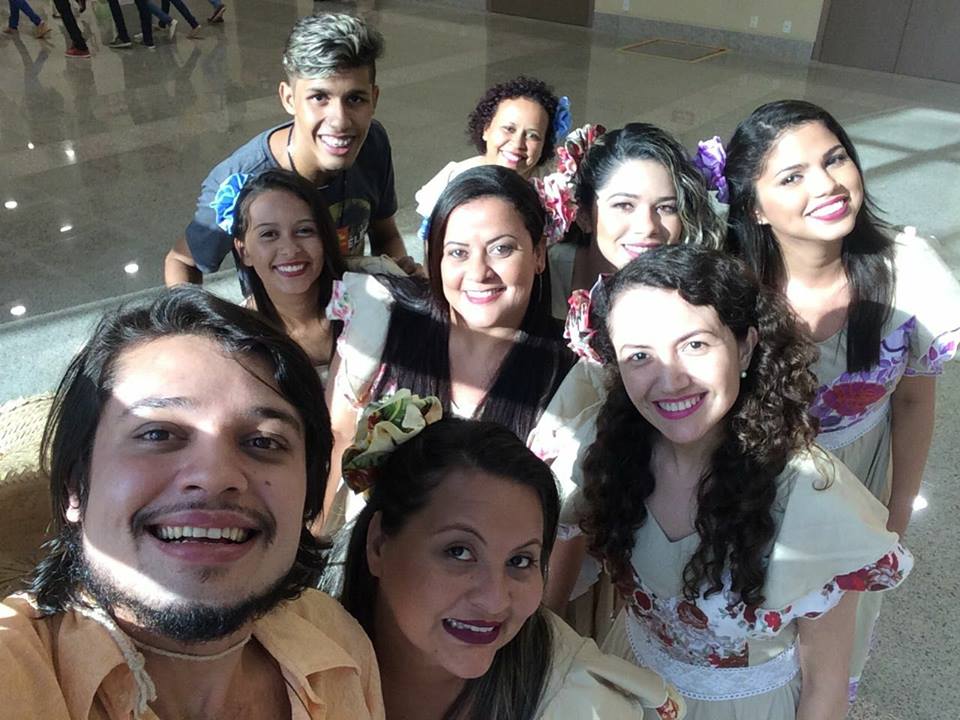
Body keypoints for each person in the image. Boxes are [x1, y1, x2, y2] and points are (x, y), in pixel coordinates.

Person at [551, 245, 911, 718]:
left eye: (695, 345)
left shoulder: (811, 498)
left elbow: (825, 686)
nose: (671, 380)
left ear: (745, 345)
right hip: (629, 689)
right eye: (639, 355)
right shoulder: (604, 452)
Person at [0, 287, 384, 719]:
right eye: (158, 433)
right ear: (75, 486)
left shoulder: (336, 643)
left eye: (263, 441)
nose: (215, 477)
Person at [724, 99, 960, 695]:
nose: (827, 184)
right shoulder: (729, 289)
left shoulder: (907, 274)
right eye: (792, 176)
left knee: (828, 655)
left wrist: (897, 510)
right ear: (754, 207)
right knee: (749, 645)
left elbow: (913, 402)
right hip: (751, 486)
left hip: (858, 482)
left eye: (834, 160)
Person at [336, 397, 685, 720]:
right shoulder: (307, 660)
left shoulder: (579, 707)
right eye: (459, 552)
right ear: (379, 544)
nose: (495, 601)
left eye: (520, 561)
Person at [324, 166, 573, 528]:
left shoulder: (573, 375)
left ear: (538, 254)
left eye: (501, 249)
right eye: (457, 252)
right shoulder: (384, 322)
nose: (479, 272)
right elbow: (338, 440)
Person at [165, 13, 411, 285]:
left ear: (374, 99)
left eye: (355, 99)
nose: (340, 121)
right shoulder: (242, 179)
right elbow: (181, 261)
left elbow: (385, 234)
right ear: (289, 99)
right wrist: (196, 315)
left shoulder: (372, 143)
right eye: (319, 97)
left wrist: (401, 282)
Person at [545, 122, 725, 319]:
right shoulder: (541, 275)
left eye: (666, 207)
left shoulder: (702, 296)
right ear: (584, 215)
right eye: (624, 205)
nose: (648, 227)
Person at [223, 168, 348, 377]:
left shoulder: (372, 300)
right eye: (269, 234)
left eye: (304, 230)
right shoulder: (237, 340)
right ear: (244, 251)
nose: (290, 250)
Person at [414, 76, 568, 221]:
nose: (517, 144)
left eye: (532, 135)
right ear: (486, 129)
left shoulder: (554, 186)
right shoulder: (453, 179)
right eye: (509, 129)